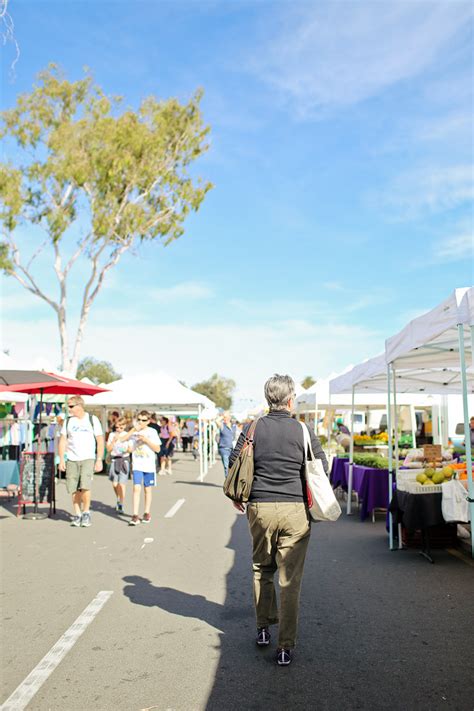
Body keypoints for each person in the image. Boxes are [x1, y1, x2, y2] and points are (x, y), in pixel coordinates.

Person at [229, 374, 328, 666]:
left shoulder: (253, 427)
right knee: (290, 579)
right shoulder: (303, 429)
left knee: (262, 568)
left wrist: (239, 495)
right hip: (295, 509)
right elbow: (320, 467)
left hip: (259, 506)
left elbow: (235, 461)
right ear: (290, 399)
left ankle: (263, 629)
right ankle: (285, 646)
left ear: (267, 399)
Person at [59, 396, 104, 528]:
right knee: (73, 488)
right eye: (68, 406)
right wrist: (62, 459)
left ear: (79, 406)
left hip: (88, 457)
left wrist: (99, 459)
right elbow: (63, 440)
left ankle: (86, 512)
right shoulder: (68, 422)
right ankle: (77, 514)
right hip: (72, 458)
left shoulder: (92, 419)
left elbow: (100, 440)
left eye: (71, 406)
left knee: (85, 486)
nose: (69, 408)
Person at [119, 411, 161, 525]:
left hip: (149, 465)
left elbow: (157, 449)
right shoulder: (134, 432)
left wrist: (146, 440)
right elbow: (123, 440)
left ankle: (147, 512)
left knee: (147, 489)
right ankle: (135, 515)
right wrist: (133, 431)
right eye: (139, 420)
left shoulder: (152, 432)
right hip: (137, 464)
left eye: (144, 420)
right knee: (136, 488)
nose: (141, 422)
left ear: (148, 421)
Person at [106, 416, 130, 513]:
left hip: (124, 460)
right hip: (114, 460)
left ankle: (121, 503)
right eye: (117, 427)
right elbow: (108, 449)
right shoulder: (112, 435)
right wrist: (114, 441)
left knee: (122, 484)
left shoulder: (127, 435)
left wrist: (126, 449)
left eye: (121, 427)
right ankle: (119, 498)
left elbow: (130, 449)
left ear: (124, 426)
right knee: (115, 484)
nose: (118, 429)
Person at [217, 412, 236, 477]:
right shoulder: (222, 425)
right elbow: (217, 421)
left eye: (227, 417)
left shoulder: (233, 426)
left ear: (229, 418)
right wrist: (223, 416)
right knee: (226, 466)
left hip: (232, 449)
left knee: (232, 466)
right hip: (224, 449)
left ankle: (230, 481)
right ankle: (227, 483)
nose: (225, 419)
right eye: (224, 418)